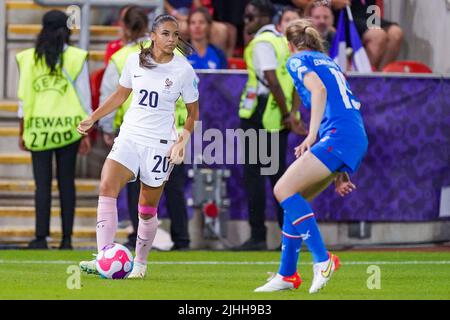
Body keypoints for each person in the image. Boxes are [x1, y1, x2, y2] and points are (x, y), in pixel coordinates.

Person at [77, 14, 199, 278]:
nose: (171, 39)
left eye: (175, 34)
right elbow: (120, 95)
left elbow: (192, 113)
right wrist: (93, 117)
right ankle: (103, 258)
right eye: (166, 33)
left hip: (159, 144)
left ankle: (140, 264)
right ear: (153, 35)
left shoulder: (183, 69)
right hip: (130, 136)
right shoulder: (134, 60)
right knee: (107, 186)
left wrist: (182, 140)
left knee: (146, 209)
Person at [254, 19, 368, 293]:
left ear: (289, 44)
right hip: (351, 137)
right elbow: (338, 107)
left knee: (282, 189)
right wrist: (339, 172)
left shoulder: (297, 60)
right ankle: (287, 274)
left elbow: (318, 90)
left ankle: (322, 259)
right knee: (295, 199)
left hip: (337, 137)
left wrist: (311, 135)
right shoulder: (328, 61)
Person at [16, 10, 92, 250]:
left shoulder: (28, 58)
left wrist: (22, 129)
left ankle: (41, 237)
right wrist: (86, 131)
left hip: (39, 128)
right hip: (69, 130)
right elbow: (84, 98)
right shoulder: (76, 57)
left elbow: (23, 99)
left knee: (42, 185)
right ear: (67, 29)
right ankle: (66, 239)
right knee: (66, 183)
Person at [235, 0, 307, 251]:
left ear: (265, 16)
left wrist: (289, 114)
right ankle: (289, 237)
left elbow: (272, 81)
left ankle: (258, 236)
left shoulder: (263, 43)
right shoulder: (282, 42)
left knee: (256, 178)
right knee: (279, 178)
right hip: (278, 118)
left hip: (260, 117)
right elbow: (297, 81)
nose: (246, 21)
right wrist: (292, 113)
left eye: (250, 16)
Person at [331, 0, 403, 71]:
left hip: (367, 15)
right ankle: (362, 78)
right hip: (345, 17)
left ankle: (380, 76)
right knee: (377, 36)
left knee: (396, 33)